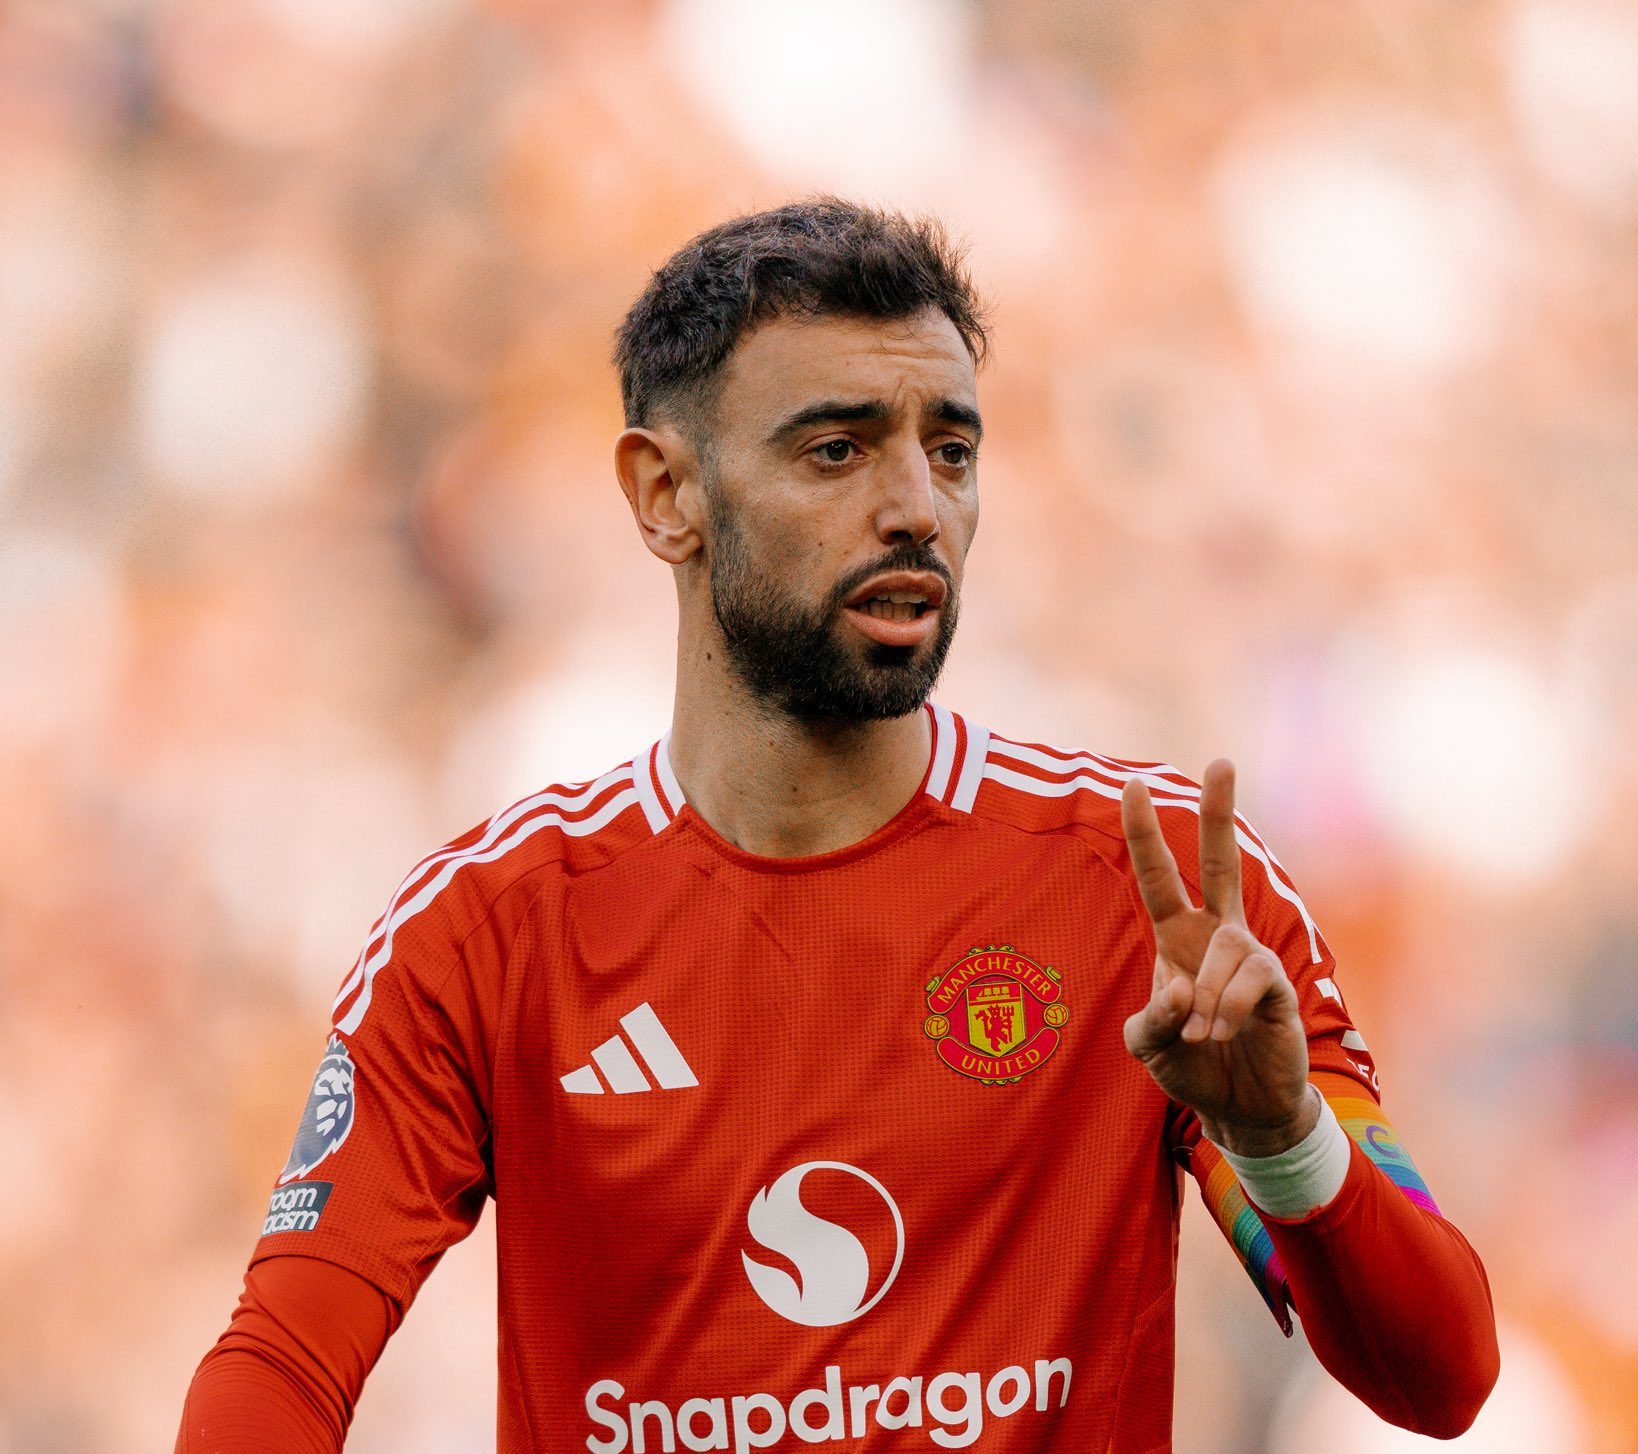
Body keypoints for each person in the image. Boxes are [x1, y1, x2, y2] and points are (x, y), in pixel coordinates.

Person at [177, 198, 1499, 1453]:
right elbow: (283, 1363)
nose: (917, 506)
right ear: (665, 495)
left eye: (951, 450)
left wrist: (1279, 1137)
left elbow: (1440, 1380)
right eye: (837, 449)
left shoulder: (1153, 898)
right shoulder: (491, 932)